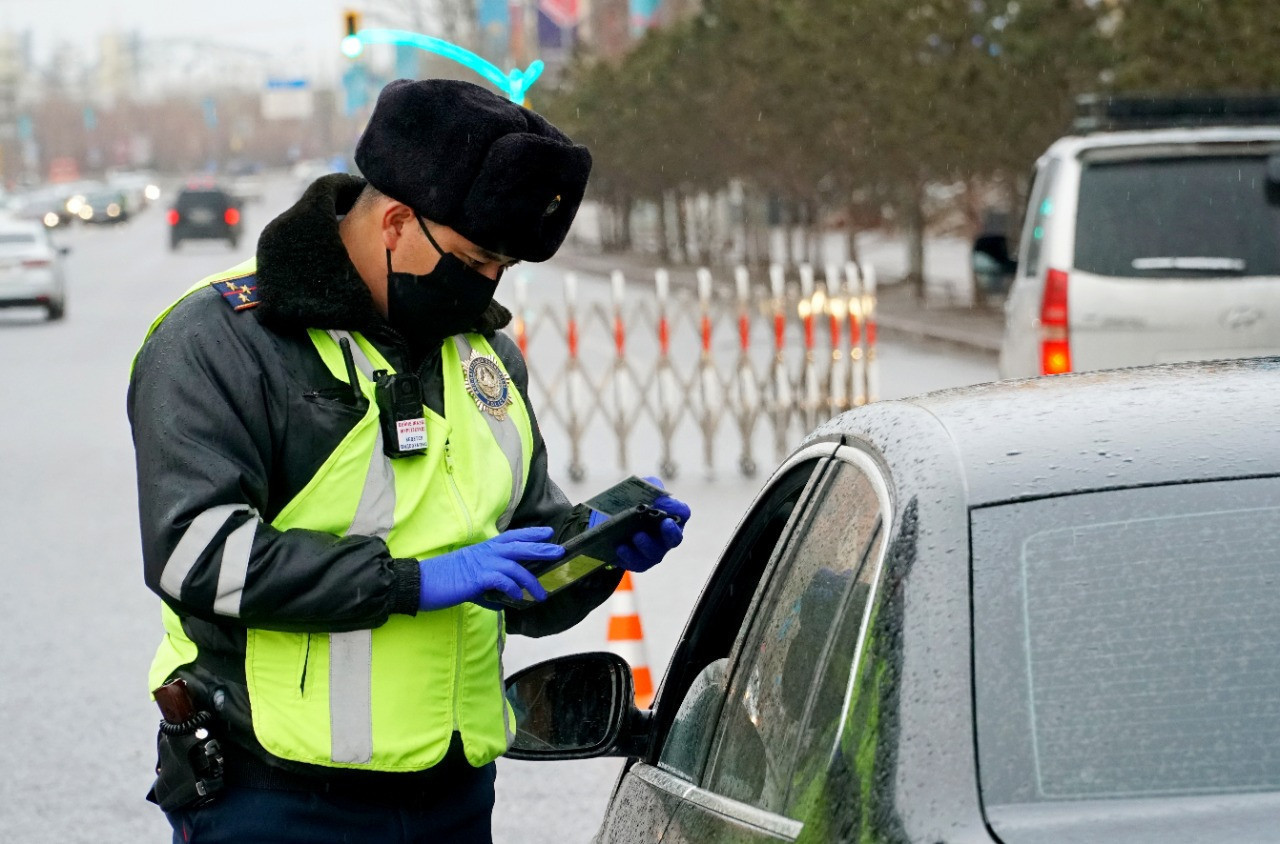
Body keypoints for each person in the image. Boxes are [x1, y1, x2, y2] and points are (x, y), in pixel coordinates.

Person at [128, 78, 691, 844]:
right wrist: (415, 581)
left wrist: (596, 552)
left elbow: (516, 563)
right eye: (473, 258)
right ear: (395, 222)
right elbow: (198, 555)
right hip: (274, 797)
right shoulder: (223, 342)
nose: (488, 285)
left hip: (453, 795)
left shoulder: (482, 356)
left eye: (505, 266)